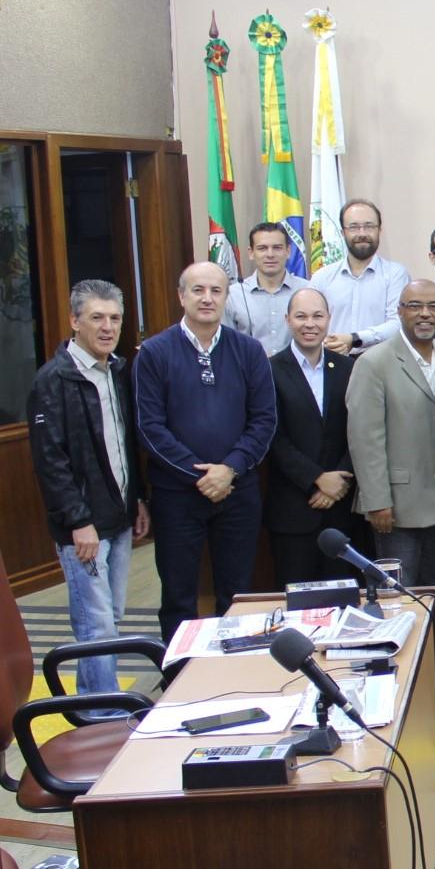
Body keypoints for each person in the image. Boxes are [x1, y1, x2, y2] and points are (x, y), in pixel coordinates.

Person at [133, 262, 276, 643]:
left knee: (237, 592)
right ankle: (179, 678)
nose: (207, 298)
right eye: (198, 290)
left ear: (227, 297)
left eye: (216, 290)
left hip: (237, 490)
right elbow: (150, 427)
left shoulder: (249, 351)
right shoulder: (154, 352)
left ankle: (231, 669)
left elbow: (263, 420)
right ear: (182, 296)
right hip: (177, 495)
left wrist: (229, 470)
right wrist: (201, 475)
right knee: (180, 595)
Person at [27, 280, 149, 706]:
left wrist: (137, 499)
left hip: (116, 517)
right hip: (83, 528)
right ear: (74, 321)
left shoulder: (116, 370)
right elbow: (51, 462)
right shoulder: (53, 380)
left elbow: (123, 446)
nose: (107, 327)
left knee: (108, 619)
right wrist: (78, 521)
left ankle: (91, 703)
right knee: (96, 624)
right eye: (97, 317)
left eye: (115, 318)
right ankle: (103, 716)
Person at [346, 280, 435, 694]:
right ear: (399, 311)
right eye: (414, 306)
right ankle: (403, 680)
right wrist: (377, 499)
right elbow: (365, 438)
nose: (424, 314)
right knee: (399, 593)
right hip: (396, 501)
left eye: (433, 307)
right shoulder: (375, 362)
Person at [263, 287, 360, 587]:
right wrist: (317, 478)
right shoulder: (269, 370)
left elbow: (360, 429)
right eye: (301, 316)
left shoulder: (349, 367)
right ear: (288, 319)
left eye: (318, 316)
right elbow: (272, 436)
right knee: (298, 602)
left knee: (344, 601)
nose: (310, 324)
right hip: (294, 508)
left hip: (343, 510)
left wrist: (340, 481)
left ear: (329, 319)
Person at [310, 198, 409, 355]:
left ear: (379, 231)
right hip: (332, 362)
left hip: (381, 366)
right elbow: (311, 323)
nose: (362, 233)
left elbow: (399, 324)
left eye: (369, 226)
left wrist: (354, 338)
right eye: (354, 227)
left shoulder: (396, 274)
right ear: (343, 232)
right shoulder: (321, 278)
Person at [225, 221, 310, 355]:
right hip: (249, 374)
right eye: (262, 248)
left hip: (297, 373)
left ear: (288, 251)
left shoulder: (308, 291)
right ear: (251, 253)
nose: (270, 254)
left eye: (277, 247)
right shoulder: (234, 295)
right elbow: (226, 345)